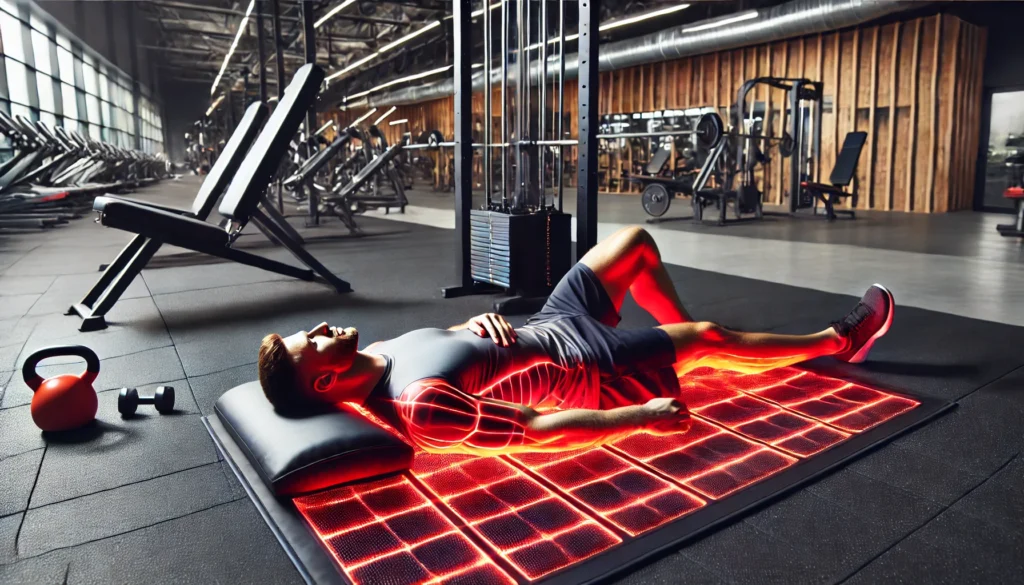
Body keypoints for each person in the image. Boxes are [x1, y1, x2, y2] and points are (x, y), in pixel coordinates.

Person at [257, 226, 893, 456]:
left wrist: (474, 326)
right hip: (582, 363)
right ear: (323, 381)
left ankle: (685, 347)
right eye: (310, 342)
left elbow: (452, 339)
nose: (318, 329)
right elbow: (534, 427)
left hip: (550, 319)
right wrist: (639, 416)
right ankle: (840, 342)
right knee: (706, 335)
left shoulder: (384, 348)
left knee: (636, 243)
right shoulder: (419, 404)